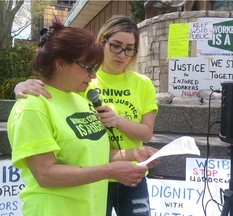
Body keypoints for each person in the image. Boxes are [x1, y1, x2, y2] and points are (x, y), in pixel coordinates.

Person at [9, 16, 158, 216]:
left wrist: (133, 154)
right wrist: (110, 171)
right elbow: (45, 174)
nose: (94, 75)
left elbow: (90, 153)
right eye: (89, 68)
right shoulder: (32, 107)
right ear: (60, 64)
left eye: (95, 68)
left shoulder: (82, 100)